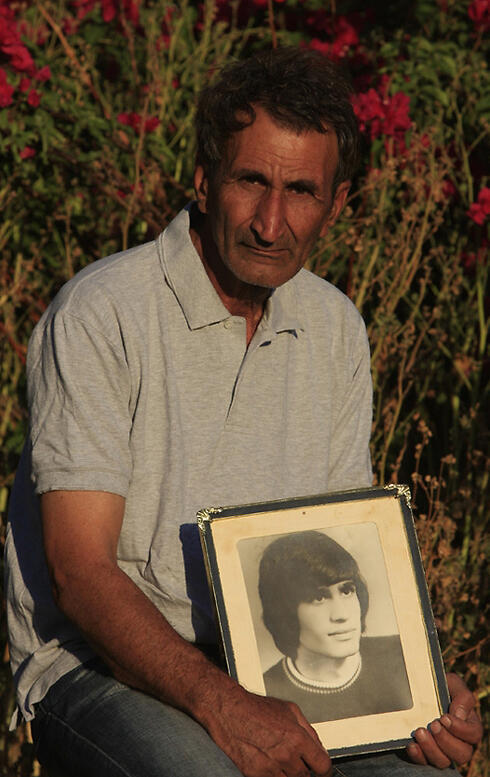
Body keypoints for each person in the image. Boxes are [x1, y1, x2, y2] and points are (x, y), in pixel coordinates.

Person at [5, 47, 482, 777]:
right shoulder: (103, 313)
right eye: (251, 181)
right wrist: (224, 704)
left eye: (301, 191)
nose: (270, 222)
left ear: (338, 203)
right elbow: (80, 574)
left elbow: (338, 544)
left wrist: (419, 688)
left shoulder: (335, 327)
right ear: (203, 180)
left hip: (284, 669)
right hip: (96, 665)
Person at [258, 531, 412, 723]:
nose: (342, 615)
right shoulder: (265, 697)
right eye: (318, 598)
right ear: (285, 613)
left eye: (347, 591)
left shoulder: (402, 654)